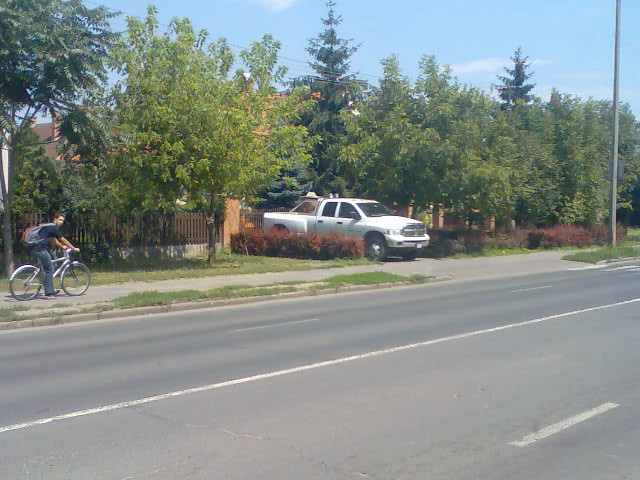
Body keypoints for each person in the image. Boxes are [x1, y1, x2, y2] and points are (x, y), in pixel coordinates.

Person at [28, 213, 80, 297]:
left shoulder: (48, 226)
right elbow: (63, 240)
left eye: (62, 220)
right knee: (49, 269)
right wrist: (74, 248)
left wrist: (62, 247)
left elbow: (54, 240)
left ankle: (44, 280)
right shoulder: (53, 228)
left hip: (35, 248)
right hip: (40, 249)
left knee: (51, 258)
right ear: (54, 219)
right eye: (60, 220)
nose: (61, 222)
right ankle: (49, 291)